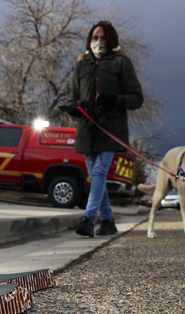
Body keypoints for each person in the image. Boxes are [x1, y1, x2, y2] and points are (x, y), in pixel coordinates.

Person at [59, 21, 144, 237]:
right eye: (95, 37)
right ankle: (108, 221)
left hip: (110, 129)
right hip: (87, 130)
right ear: (89, 40)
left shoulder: (121, 62)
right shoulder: (82, 64)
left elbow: (136, 98)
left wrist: (113, 99)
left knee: (98, 172)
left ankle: (88, 218)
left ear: (111, 40)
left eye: (102, 38)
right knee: (97, 177)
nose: (98, 42)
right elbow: (73, 97)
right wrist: (74, 108)